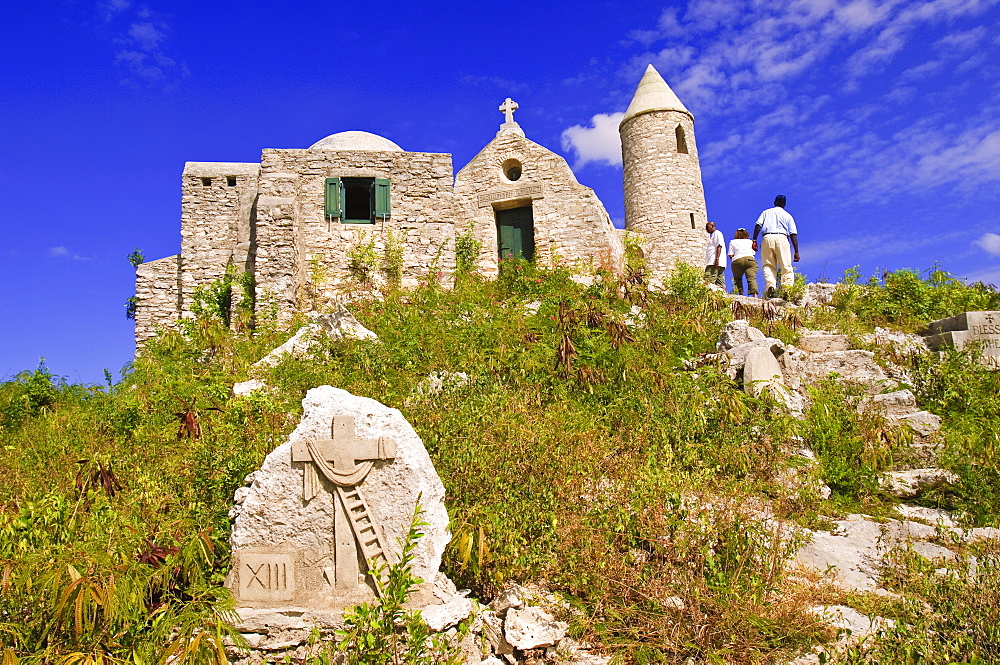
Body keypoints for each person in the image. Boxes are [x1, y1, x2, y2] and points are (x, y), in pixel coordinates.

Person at [752, 195, 799, 298]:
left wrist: (754, 240)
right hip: (782, 238)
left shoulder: (766, 212)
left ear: (774, 202)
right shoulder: (788, 216)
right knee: (785, 265)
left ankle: (771, 286)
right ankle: (787, 289)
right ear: (784, 204)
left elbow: (758, 225)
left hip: (767, 237)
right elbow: (793, 234)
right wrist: (796, 251)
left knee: (768, 265)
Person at [728, 228, 758, 296]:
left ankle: (740, 293)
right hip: (749, 259)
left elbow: (731, 254)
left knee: (737, 278)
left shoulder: (732, 242)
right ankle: (755, 295)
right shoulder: (750, 242)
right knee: (751, 278)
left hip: (737, 260)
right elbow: (753, 253)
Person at [704, 221, 726, 288]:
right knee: (720, 281)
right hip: (719, 263)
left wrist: (717, 259)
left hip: (713, 262)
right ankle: (722, 296)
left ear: (713, 226)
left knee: (708, 280)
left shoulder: (717, 233)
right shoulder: (715, 235)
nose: (706, 229)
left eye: (708, 227)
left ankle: (707, 295)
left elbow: (719, 246)